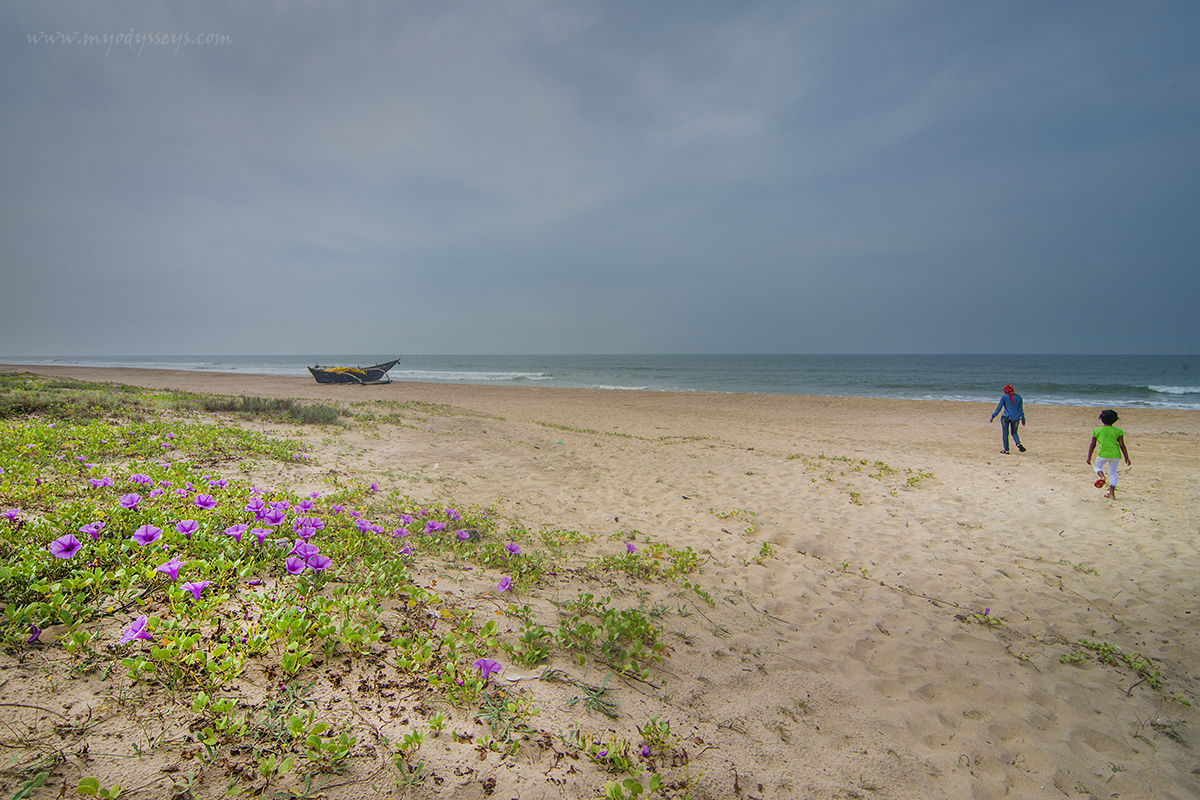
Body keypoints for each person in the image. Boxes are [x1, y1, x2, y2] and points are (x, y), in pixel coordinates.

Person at [1087, 409, 1130, 500]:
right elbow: (1122, 445)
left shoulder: (1096, 430)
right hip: (1115, 455)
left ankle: (1102, 477)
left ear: (1102, 419)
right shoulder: (1119, 431)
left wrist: (1089, 457)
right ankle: (1112, 494)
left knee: (1097, 467)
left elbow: (1092, 445)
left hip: (1103, 453)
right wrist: (1127, 457)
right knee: (1112, 473)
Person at [990, 384, 1026, 454]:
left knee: (1005, 433)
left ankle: (1006, 450)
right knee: (1015, 432)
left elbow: (999, 408)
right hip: (1016, 418)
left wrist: (993, 416)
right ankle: (1018, 443)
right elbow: (1021, 410)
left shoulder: (1004, 397)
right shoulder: (1019, 398)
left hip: (1006, 417)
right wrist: (1023, 419)